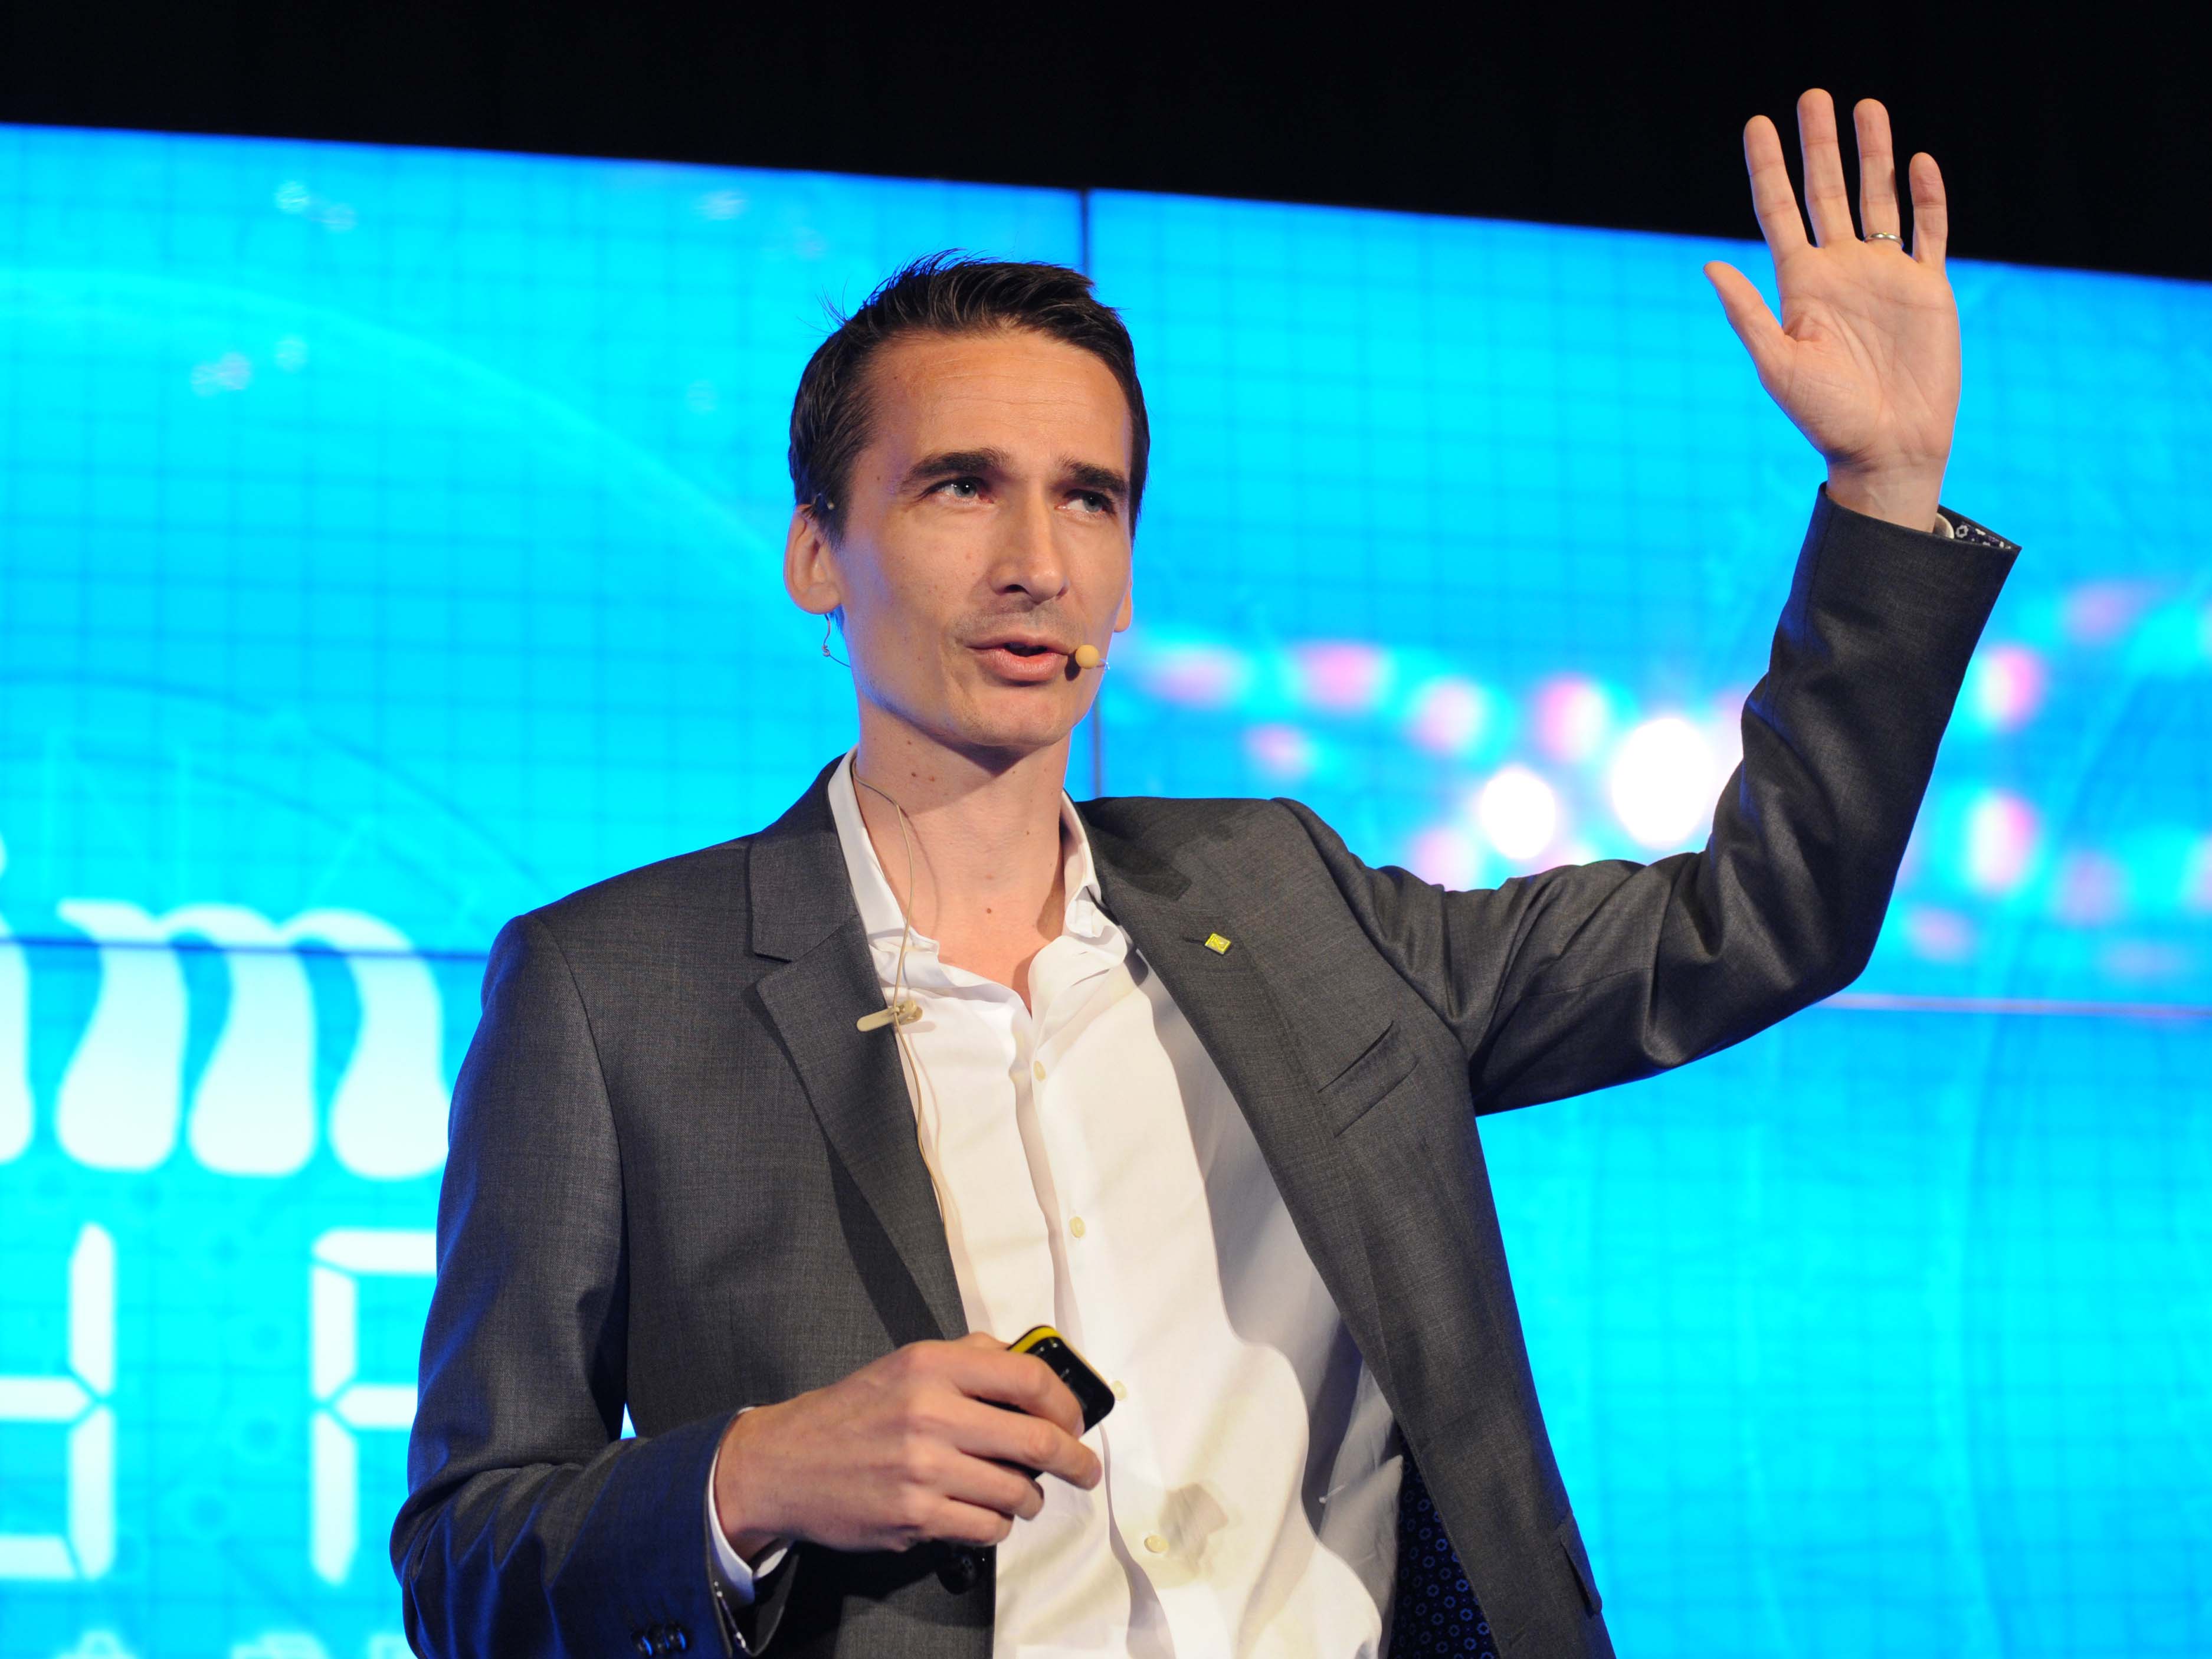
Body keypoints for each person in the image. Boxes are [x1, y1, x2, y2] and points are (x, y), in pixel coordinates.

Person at [392, 89, 2018, 1659]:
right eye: (960, 487)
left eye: (1087, 501)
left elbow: (1762, 915)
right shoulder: (614, 991)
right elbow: (469, 1563)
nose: (1036, 562)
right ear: (821, 549)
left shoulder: (1291, 899)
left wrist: (1882, 498)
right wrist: (750, 1477)